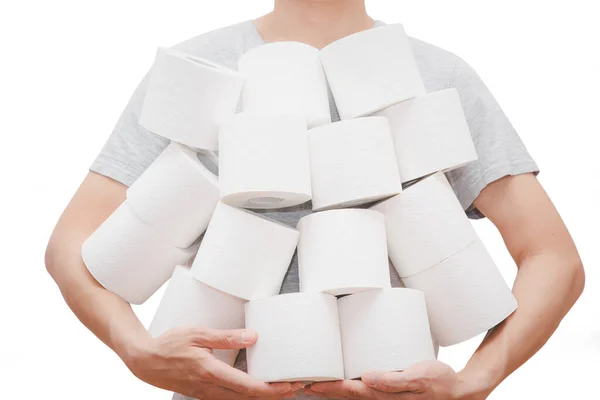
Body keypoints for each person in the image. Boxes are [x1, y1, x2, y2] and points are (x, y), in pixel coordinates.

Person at [45, 1, 585, 399]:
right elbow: (72, 244)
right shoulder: (198, 71)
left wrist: (476, 381)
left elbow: (553, 258)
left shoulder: (435, 77)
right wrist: (135, 350)